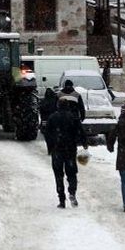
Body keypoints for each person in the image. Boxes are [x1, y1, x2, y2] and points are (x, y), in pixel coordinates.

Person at [44, 79, 88, 209]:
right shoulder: (73, 117)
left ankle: (61, 199)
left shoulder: (53, 117)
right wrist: (84, 142)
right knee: (71, 173)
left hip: (57, 149)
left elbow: (47, 134)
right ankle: (72, 192)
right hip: (70, 149)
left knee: (58, 174)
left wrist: (50, 146)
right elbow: (80, 129)